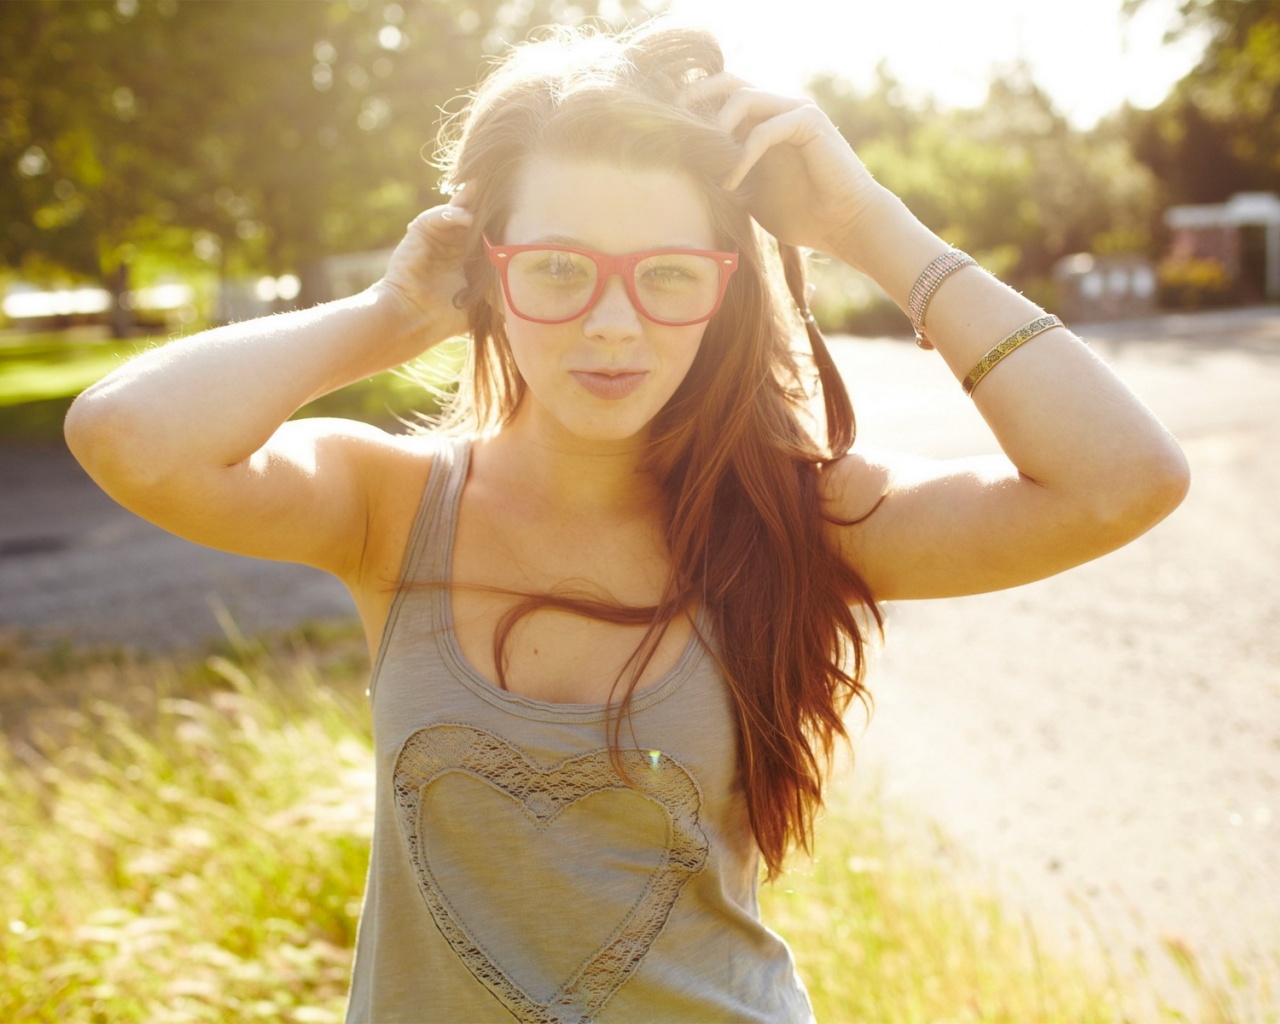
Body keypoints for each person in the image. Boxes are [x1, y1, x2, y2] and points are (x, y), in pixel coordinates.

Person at [64, 20, 1189, 1024]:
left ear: (722, 286)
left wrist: (863, 220)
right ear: (488, 275)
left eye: (665, 274)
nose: (612, 325)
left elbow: (1120, 480)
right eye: (557, 269)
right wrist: (385, 314)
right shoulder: (388, 507)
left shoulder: (802, 515)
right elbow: (127, 434)